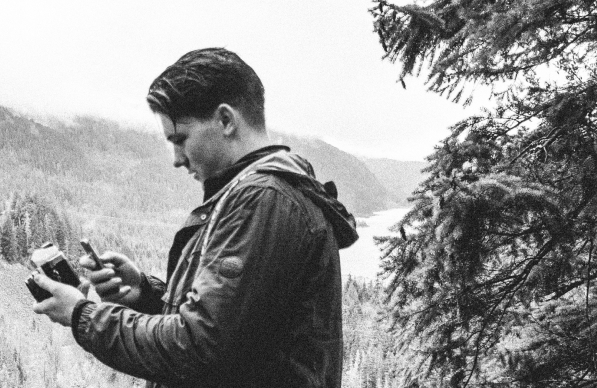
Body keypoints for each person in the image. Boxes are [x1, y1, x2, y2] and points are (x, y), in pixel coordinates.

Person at [30, 47, 358, 388]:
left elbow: (197, 347)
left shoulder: (261, 199)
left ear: (226, 121)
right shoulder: (258, 195)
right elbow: (235, 335)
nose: (176, 159)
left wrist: (82, 315)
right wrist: (142, 293)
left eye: (180, 139)